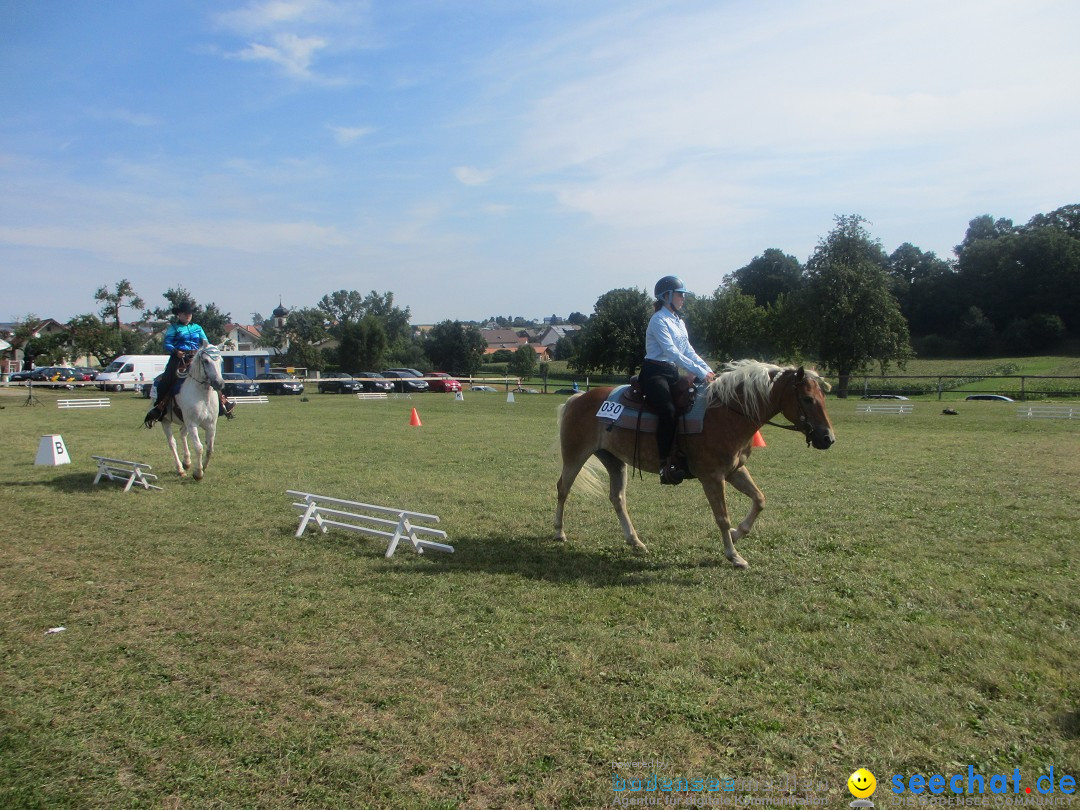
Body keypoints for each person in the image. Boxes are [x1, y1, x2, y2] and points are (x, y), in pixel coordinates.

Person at [640, 275, 715, 485]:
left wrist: (709, 372)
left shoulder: (678, 322)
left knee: (692, 402)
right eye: (680, 294)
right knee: (668, 411)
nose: (683, 298)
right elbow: (672, 352)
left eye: (683, 295)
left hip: (672, 372)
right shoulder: (658, 320)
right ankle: (664, 463)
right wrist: (700, 373)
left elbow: (689, 351)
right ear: (666, 296)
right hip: (654, 373)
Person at [144, 300, 233, 428]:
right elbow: (167, 343)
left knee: (211, 375)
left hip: (196, 357)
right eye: (185, 314)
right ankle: (160, 407)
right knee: (168, 379)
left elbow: (205, 342)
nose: (188, 316)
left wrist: (205, 351)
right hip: (178, 358)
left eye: (189, 314)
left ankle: (222, 402)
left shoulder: (197, 327)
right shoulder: (174, 328)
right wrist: (176, 351)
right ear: (179, 315)